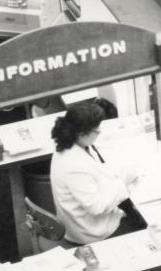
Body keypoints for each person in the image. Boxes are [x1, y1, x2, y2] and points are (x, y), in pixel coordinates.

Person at [49, 100, 146, 246]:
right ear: (81, 134)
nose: (99, 132)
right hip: (92, 233)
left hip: (82, 221)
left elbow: (94, 171)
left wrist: (120, 172)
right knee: (145, 225)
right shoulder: (73, 165)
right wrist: (123, 182)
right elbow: (96, 207)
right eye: (96, 130)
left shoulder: (71, 144)